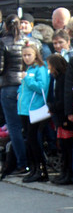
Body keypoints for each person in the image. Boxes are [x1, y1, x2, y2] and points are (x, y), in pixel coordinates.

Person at [17, 41, 50, 183]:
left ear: (35, 55)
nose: (26, 58)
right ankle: (34, 168)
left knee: (34, 139)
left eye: (29, 55)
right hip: (24, 109)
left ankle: (41, 169)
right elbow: (23, 86)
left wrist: (28, 79)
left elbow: (42, 87)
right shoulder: (28, 69)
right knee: (29, 140)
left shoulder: (40, 68)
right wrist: (19, 91)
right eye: (24, 55)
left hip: (35, 109)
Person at [0, 15, 28, 177]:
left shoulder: (3, 42)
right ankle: (31, 162)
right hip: (25, 85)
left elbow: (0, 67)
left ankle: (21, 163)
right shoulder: (28, 41)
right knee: (27, 126)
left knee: (14, 127)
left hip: (9, 85)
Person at [47, 53, 73, 184]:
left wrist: (53, 107)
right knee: (62, 147)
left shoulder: (63, 78)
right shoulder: (56, 78)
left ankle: (68, 173)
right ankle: (64, 172)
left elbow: (63, 98)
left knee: (67, 147)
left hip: (64, 116)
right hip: (58, 115)